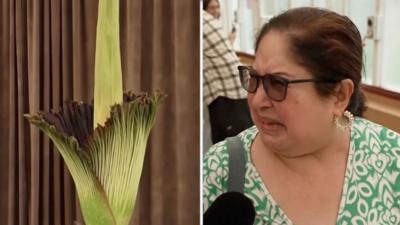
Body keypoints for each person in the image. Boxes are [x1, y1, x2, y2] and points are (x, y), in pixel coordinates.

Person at [203, 7, 400, 225]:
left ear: (339, 95)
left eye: (277, 84)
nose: (258, 101)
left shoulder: (391, 158)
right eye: (254, 78)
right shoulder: (220, 169)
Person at [203, 9, 253, 144]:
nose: (217, 11)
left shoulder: (201, 20)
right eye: (212, 7)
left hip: (228, 97)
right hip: (231, 96)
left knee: (235, 155)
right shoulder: (206, 20)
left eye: (217, 6)